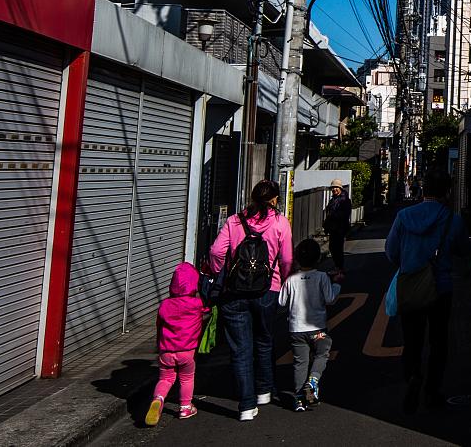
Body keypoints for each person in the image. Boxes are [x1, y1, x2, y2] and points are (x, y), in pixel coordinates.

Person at [208, 179, 293, 421]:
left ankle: (245, 406)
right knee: (264, 339)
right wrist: (283, 279)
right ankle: (264, 391)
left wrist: (218, 274)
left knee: (240, 348)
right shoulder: (279, 223)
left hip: (234, 292)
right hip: (268, 289)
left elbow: (215, 252)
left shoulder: (235, 221)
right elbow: (286, 259)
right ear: (275, 199)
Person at [385, 172, 468, 413]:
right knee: (439, 341)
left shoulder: (403, 216)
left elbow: (391, 252)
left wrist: (410, 261)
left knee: (412, 340)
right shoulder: (453, 220)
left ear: (423, 190)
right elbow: (464, 249)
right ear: (448, 192)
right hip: (441, 288)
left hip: (411, 286)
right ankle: (433, 390)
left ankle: (412, 376)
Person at [280, 238, 342, 412]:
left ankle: (300, 400)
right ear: (318, 258)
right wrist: (336, 284)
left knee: (300, 363)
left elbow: (281, 301)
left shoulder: (291, 279)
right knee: (322, 353)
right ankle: (313, 381)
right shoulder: (322, 277)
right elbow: (330, 299)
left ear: (297, 259)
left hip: (296, 331)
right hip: (318, 330)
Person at [144, 262, 205, 425]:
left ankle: (158, 399)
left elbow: (159, 324)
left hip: (166, 351)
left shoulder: (165, 305)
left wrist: (159, 345)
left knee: (165, 378)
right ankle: (185, 407)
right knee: (186, 378)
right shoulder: (196, 305)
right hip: (186, 352)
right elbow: (207, 310)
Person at [323, 179, 352, 274]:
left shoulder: (345, 200)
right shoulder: (334, 199)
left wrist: (333, 216)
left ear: (340, 188)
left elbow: (345, 214)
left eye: (336, 187)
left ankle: (339, 268)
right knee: (333, 248)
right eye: (333, 188)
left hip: (340, 228)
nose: (334, 189)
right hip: (333, 228)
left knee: (337, 248)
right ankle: (338, 267)